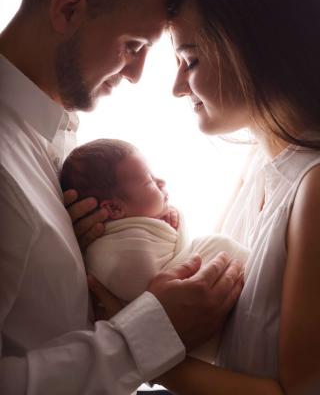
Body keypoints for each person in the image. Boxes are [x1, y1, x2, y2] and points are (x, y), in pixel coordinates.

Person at [0, 0, 244, 394]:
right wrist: (147, 333)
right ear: (69, 9)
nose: (136, 74)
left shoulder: (57, 142)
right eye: (133, 46)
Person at [148, 0, 320, 395]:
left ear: (252, 48)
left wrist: (140, 347)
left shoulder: (315, 186)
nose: (177, 87)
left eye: (190, 60)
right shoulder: (261, 161)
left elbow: (299, 392)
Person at [60, 138, 249, 362]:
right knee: (215, 246)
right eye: (149, 182)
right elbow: (158, 284)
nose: (161, 181)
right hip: (187, 325)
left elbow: (176, 252)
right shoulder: (115, 253)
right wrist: (175, 230)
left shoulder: (133, 228)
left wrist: (171, 223)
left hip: (173, 332)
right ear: (113, 208)